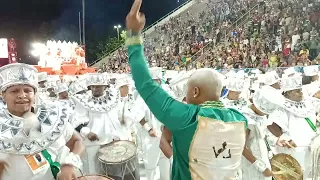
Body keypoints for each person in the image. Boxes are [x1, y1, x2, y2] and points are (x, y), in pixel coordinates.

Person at [125, 0, 248, 179]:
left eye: (187, 91)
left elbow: (145, 83)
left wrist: (133, 34)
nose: (185, 96)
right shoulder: (240, 119)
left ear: (195, 92)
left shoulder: (187, 117)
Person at [0, 63, 84, 180]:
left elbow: (77, 140)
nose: (22, 95)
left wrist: (70, 164)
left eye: (28, 91)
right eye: (14, 91)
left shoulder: (53, 118)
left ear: (34, 94)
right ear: (3, 95)